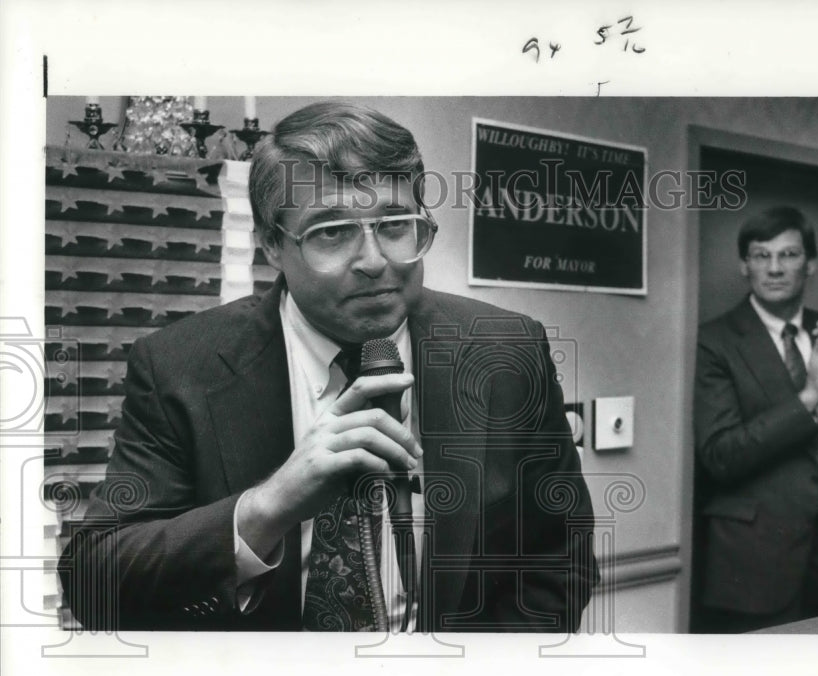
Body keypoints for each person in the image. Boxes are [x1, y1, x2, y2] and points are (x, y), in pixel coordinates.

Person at [59, 101, 599, 632]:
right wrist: (266, 508)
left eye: (395, 224)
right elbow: (94, 583)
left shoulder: (507, 350)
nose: (373, 261)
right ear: (272, 243)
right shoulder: (181, 365)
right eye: (332, 232)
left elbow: (558, 560)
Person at [692, 206, 818, 633]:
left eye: (788, 255)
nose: (775, 268)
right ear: (744, 265)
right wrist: (811, 396)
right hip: (757, 558)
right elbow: (720, 454)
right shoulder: (714, 341)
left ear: (811, 263)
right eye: (761, 255)